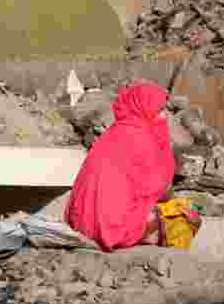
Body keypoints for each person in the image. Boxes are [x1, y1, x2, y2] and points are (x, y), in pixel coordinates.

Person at [64, 80, 176, 252]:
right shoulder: (142, 139)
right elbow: (161, 191)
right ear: (144, 109)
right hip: (110, 229)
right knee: (181, 216)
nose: (164, 117)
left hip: (81, 224)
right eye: (159, 110)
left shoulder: (113, 133)